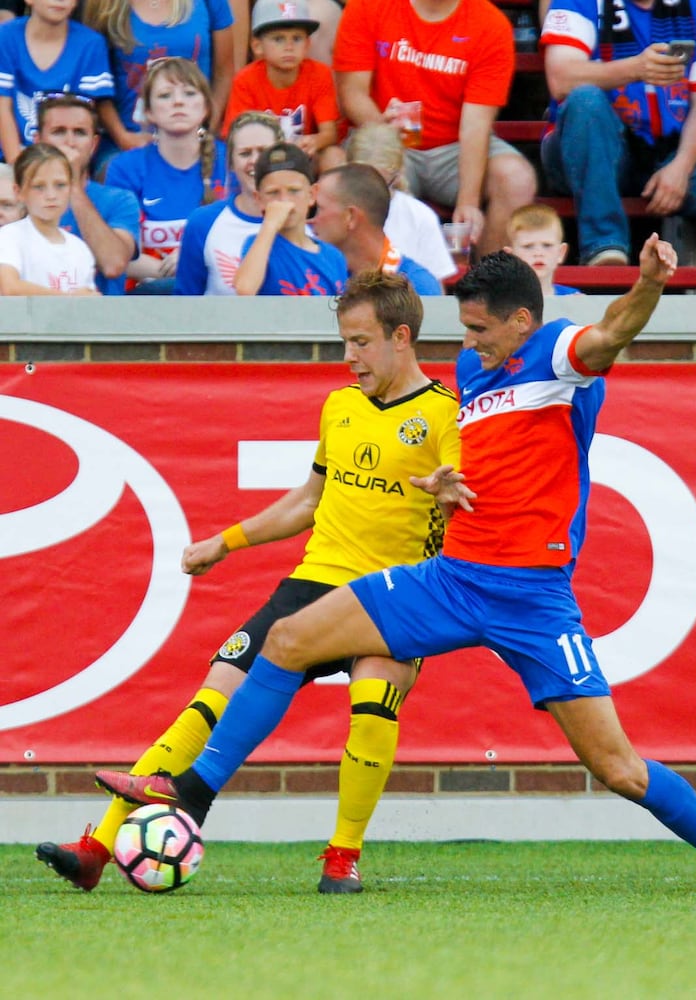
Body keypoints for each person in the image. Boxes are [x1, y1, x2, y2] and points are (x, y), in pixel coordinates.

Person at [95, 236, 696, 896]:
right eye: (464, 328)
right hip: (450, 577)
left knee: (619, 769)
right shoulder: (474, 371)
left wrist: (651, 285)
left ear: (520, 323)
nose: (466, 343)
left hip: (533, 600)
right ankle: (192, 793)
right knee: (285, 640)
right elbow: (485, 458)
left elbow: (614, 332)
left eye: (478, 328)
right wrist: (446, 484)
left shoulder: (560, 356)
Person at [38, 268, 461, 893]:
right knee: (213, 694)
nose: (349, 358)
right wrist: (225, 541)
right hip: (315, 581)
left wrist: (451, 499)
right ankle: (100, 847)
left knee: (371, 707)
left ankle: (342, 858)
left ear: (402, 337)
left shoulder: (444, 415)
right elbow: (309, 499)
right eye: (344, 342)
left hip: (395, 593)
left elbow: (471, 504)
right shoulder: (340, 406)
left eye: (361, 342)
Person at [540, 0, 696, 268]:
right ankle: (605, 248)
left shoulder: (694, 8)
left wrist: (681, 166)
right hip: (593, 146)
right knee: (586, 100)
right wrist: (636, 69)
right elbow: (560, 79)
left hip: (668, 149)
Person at [333, 0, 537, 256]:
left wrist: (468, 201)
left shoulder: (489, 23)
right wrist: (383, 134)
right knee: (368, 169)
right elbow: (351, 93)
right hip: (388, 136)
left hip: (454, 147)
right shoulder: (367, 6)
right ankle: (378, 284)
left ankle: (488, 284)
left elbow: (476, 124)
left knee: (516, 178)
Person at [104, 57, 227, 294]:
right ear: (148, 111)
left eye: (189, 94)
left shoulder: (229, 161)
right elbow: (116, 255)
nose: (178, 102)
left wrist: (189, 262)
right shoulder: (125, 168)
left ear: (206, 107)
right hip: (145, 298)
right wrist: (179, 270)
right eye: (165, 95)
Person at [85, 0, 235, 166]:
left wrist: (206, 130)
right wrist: (123, 137)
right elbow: (96, 82)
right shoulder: (104, 4)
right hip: (126, 143)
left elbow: (224, 73)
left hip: (197, 139)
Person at [34, 94, 140, 296]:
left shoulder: (120, 200)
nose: (70, 142)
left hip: (99, 322)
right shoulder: (17, 198)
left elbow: (113, 265)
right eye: (58, 132)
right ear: (38, 140)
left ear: (93, 144)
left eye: (80, 133)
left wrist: (72, 186)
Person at [174, 111, 283, 295]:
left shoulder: (304, 224)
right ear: (231, 163)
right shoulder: (202, 223)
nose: (255, 161)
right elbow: (185, 304)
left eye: (264, 152)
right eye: (245, 153)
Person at [222, 0, 340, 165]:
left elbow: (329, 133)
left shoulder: (320, 74)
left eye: (297, 38)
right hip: (261, 160)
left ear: (307, 45)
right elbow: (234, 135)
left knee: (334, 156)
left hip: (304, 157)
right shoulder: (245, 80)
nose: (289, 47)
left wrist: (315, 141)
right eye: (278, 39)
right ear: (257, 46)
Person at [0, 0, 116, 165]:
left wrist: (65, 168)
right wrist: (18, 165)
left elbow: (83, 119)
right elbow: (2, 107)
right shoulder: (5, 36)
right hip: (10, 159)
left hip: (68, 159)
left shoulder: (90, 44)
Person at [344, 122, 458, 287]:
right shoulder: (333, 211)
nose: (371, 193)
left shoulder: (420, 217)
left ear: (397, 174)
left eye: (381, 183)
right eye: (362, 182)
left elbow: (435, 289)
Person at [234, 141, 348, 296]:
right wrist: (270, 224)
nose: (284, 200)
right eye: (273, 193)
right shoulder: (258, 245)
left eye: (294, 191)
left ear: (312, 194)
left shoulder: (333, 257)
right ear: (259, 199)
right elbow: (245, 288)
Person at [312, 163, 444, 295]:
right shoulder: (313, 277)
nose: (310, 220)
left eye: (317, 209)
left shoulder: (417, 288)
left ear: (350, 217)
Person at [0, 142, 98, 294]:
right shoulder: (9, 237)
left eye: (60, 185)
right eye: (39, 186)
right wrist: (69, 300)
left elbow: (89, 301)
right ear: (18, 192)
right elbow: (10, 288)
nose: (51, 196)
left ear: (71, 187)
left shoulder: (80, 249)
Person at [506, 202, 580, 296]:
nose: (538, 253)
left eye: (547, 245)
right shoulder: (500, 303)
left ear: (561, 253)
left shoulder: (575, 299)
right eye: (528, 246)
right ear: (511, 256)